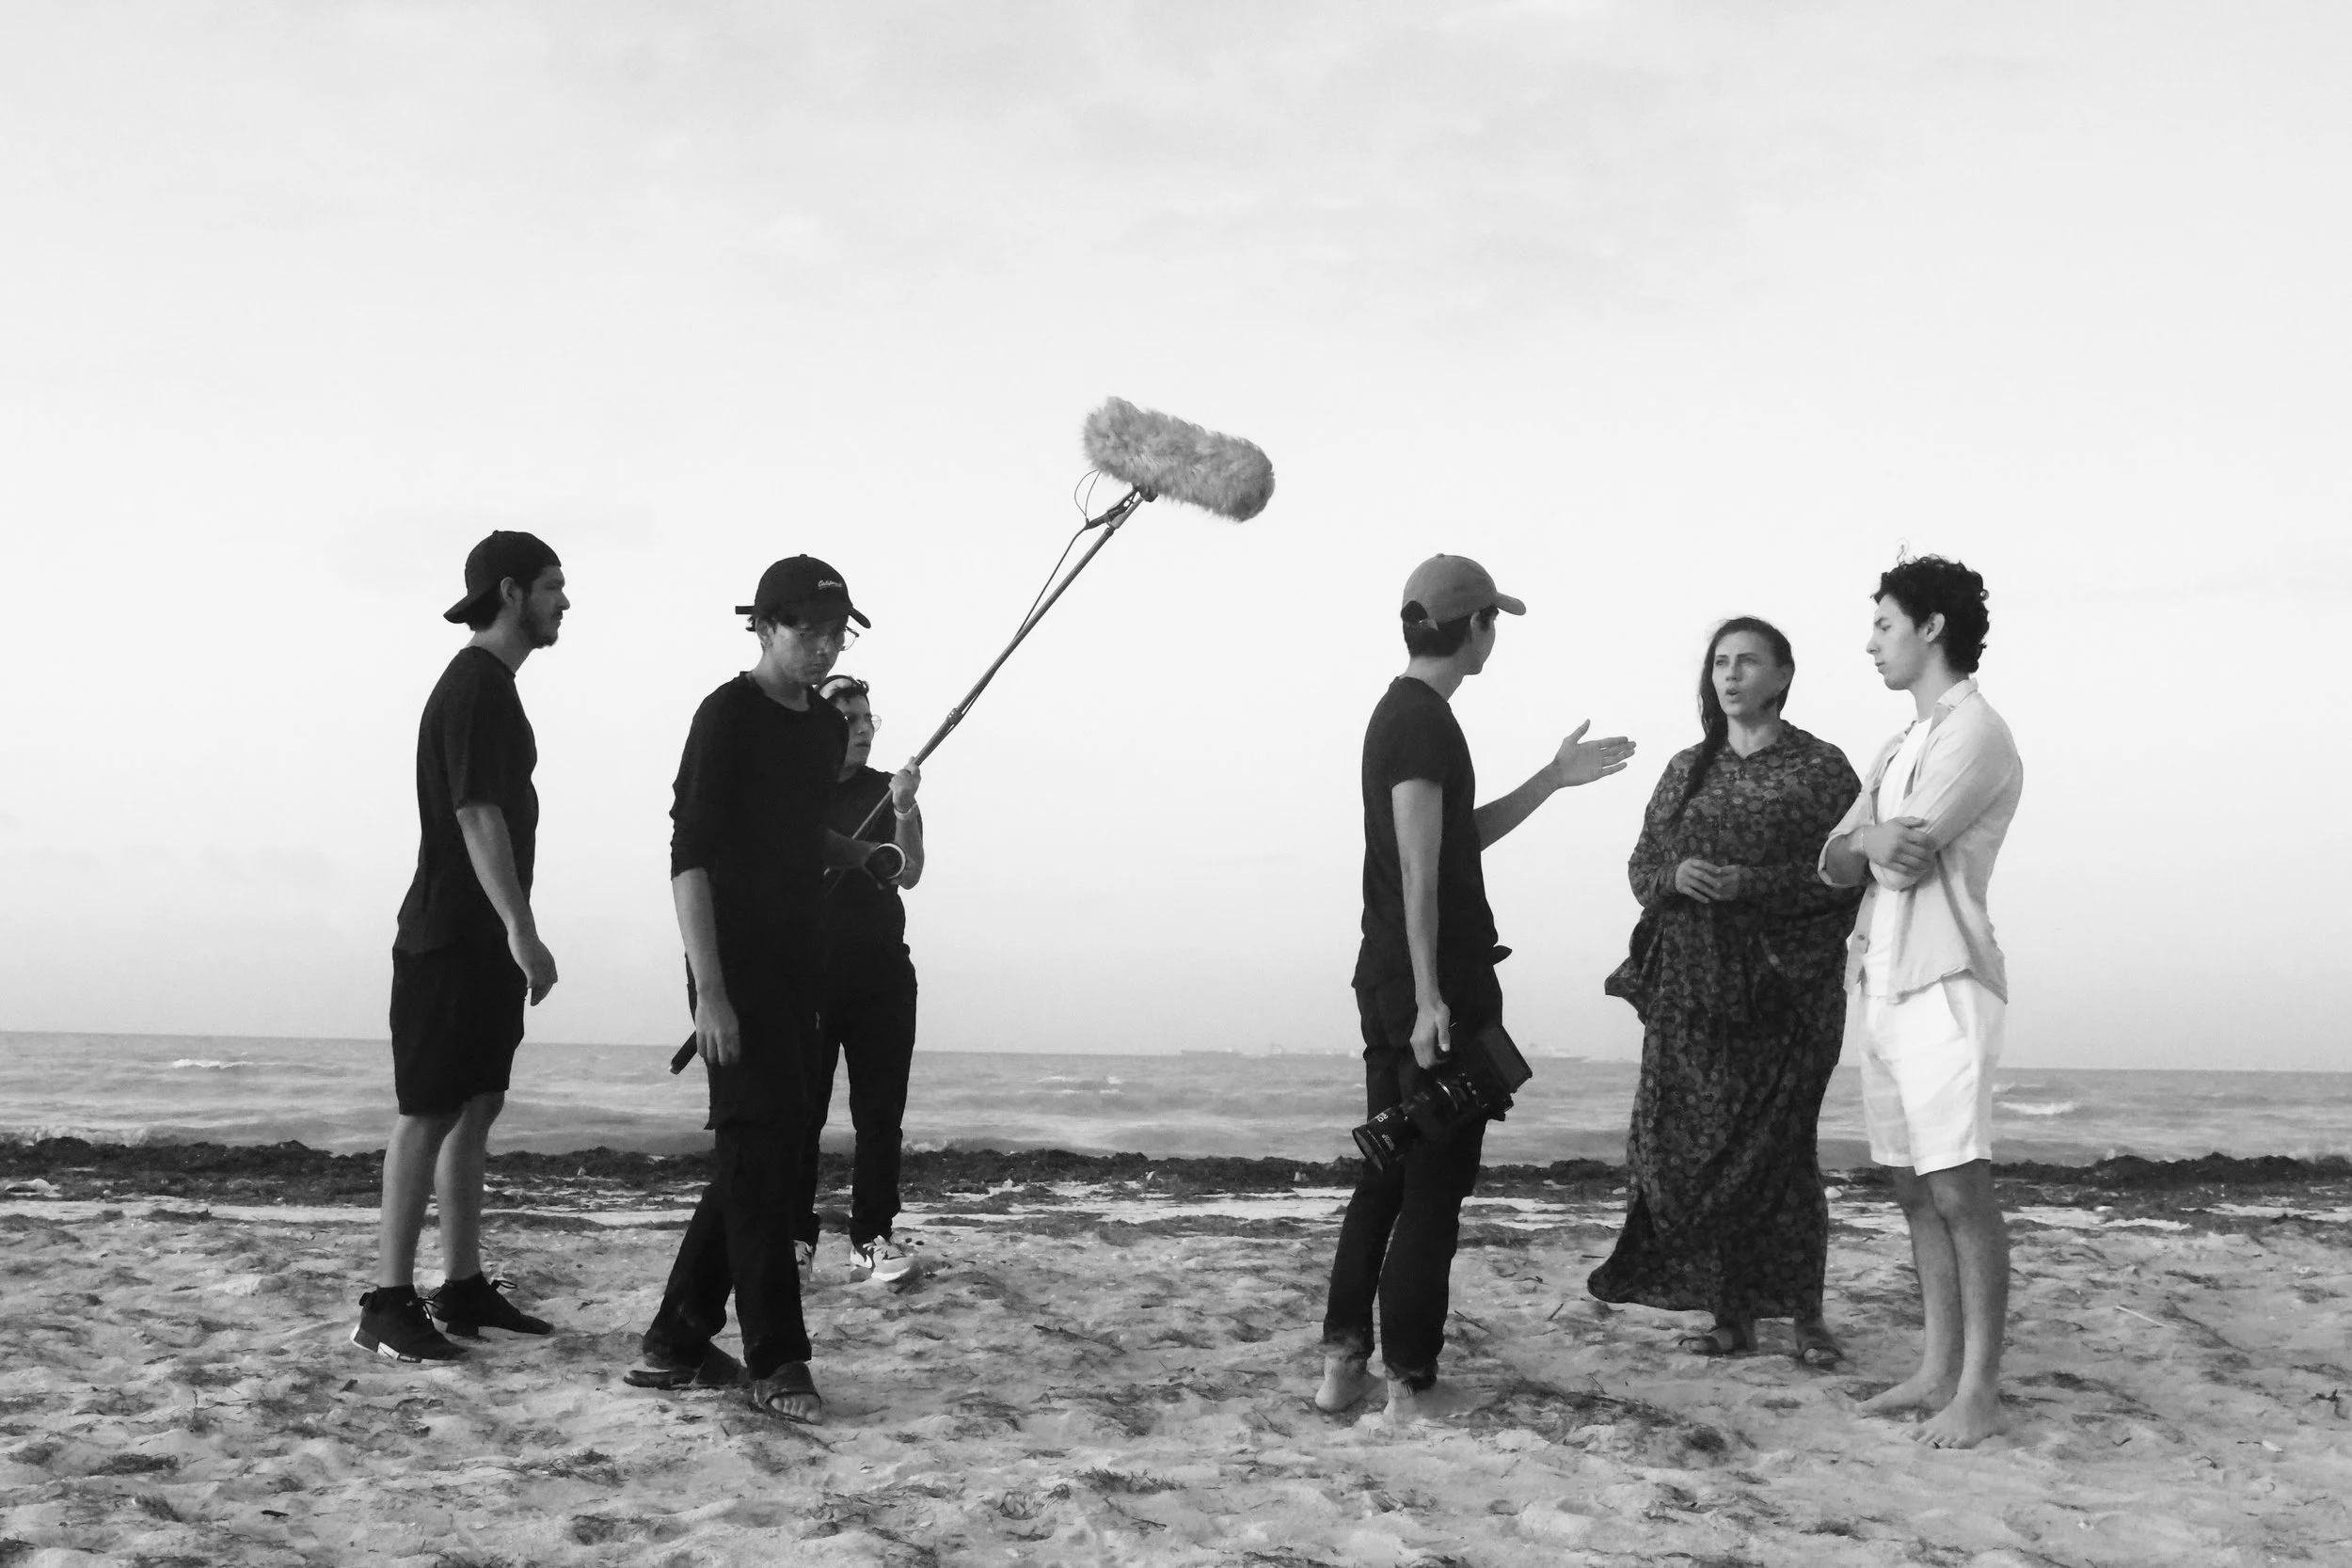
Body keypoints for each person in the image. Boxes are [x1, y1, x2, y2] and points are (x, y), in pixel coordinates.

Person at [1317, 554, 1636, 1420]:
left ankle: (1344, 1365)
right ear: (1472, 627)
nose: (1497, 635)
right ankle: (1409, 1383)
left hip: (1394, 975)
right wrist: (1430, 1000)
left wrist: (1551, 778)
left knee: (1387, 1172)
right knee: (1431, 1187)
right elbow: (1421, 870)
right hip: (1430, 982)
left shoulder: (1408, 715)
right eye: (1494, 620)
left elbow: (1456, 841)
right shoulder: (1420, 721)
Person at [626, 557, 905, 1426]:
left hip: (801, 966)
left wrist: (855, 853)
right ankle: (778, 1356)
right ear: (763, 627)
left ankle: (675, 1337)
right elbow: (691, 855)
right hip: (732, 968)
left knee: (771, 1152)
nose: (822, 647)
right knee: (760, 1157)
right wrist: (709, 991)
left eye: (835, 632)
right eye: (805, 630)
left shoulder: (821, 730)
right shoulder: (727, 716)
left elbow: (792, 834)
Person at [1588, 617, 1863, 1366]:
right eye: (1719, 663)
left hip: (1784, 990)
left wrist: (1755, 883)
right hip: (1691, 992)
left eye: (1747, 662)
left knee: (1780, 1154)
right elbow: (1644, 864)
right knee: (1689, 1155)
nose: (1731, 675)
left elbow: (1846, 875)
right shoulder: (1687, 769)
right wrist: (1676, 876)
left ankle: (1806, 1317)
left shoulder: (1820, 769)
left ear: (1781, 675)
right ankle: (1732, 1315)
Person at [1819, 555, 2023, 1449]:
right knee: (1909, 1184)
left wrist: (1866, 840)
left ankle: (1978, 1386)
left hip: (1945, 981)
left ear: (1932, 627)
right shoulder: (1898, 745)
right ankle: (1937, 1369)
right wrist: (1865, 835)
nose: (1872, 644)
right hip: (1882, 978)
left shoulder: (1978, 732)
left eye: (1885, 626)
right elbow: (1836, 859)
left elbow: (1906, 853)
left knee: (1957, 1182)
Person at [358, 531, 568, 1363]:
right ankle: (387, 1299)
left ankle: (464, 1286)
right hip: (449, 933)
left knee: (476, 1105)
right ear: (511, 592)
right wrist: (523, 928)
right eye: (553, 586)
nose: (564, 601)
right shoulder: (476, 684)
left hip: (477, 939)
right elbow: (476, 813)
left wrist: (508, 933)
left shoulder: (494, 686)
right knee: (429, 1110)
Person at [795, 674, 925, 1285]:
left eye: (869, 718)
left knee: (880, 1116)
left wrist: (903, 809)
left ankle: (870, 1239)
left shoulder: (887, 789)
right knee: (801, 1113)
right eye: (850, 719)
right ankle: (795, 1237)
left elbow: (912, 870)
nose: (865, 729)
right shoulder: (793, 789)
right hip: (808, 976)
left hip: (882, 976)